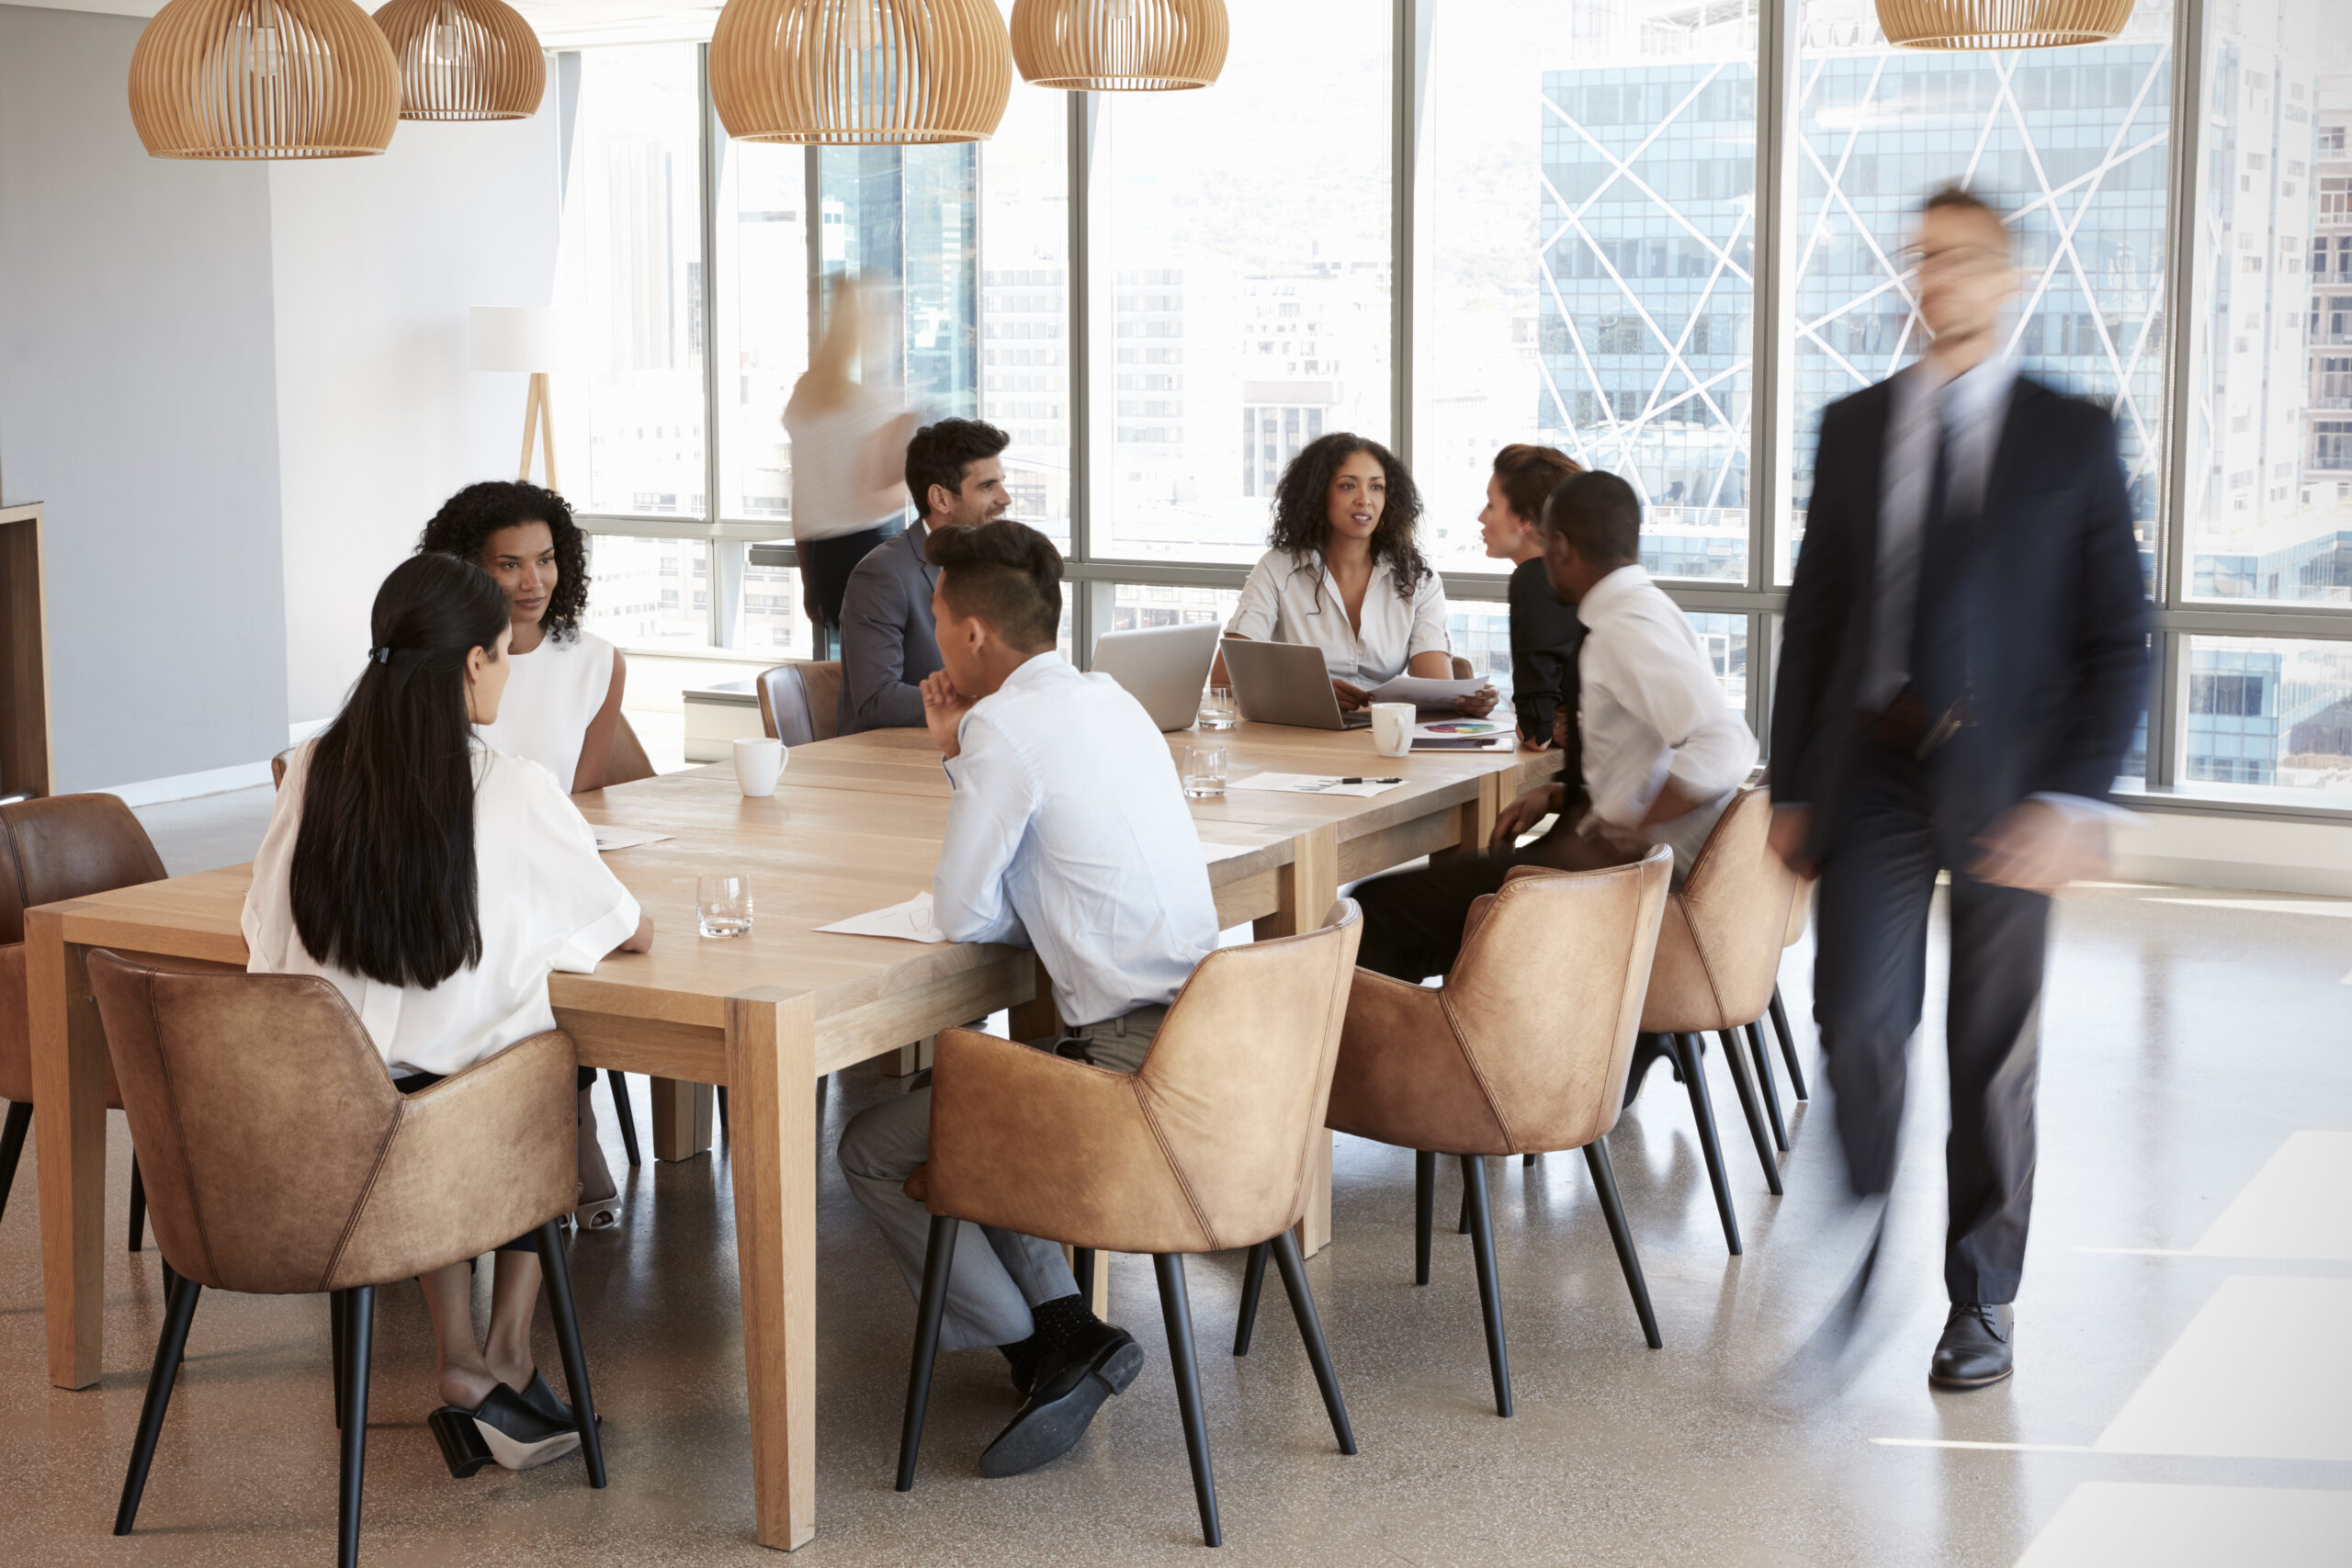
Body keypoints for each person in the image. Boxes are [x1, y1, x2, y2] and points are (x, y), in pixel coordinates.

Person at [1768, 186, 2147, 1393]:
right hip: (1873, 759)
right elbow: (1815, 614)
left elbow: (2122, 637)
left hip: (2014, 782)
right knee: (1858, 1017)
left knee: (1992, 1057)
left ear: (2009, 274)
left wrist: (2077, 796)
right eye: (1918, 257)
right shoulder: (1857, 425)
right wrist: (1790, 783)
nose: (1932, 278)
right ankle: (1871, 1182)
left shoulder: (2072, 436)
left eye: (1958, 258)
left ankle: (1979, 1299)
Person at [243, 553, 655, 1472]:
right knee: (541, 1069)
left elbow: (263, 938)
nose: (507, 673)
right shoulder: (509, 786)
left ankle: (465, 1359)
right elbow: (618, 923)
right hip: (454, 1156)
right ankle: (502, 1352)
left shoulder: (312, 768)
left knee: (438, 1070)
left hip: (319, 1134)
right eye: (505, 657)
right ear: (472, 663)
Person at [836, 520, 1219, 1479]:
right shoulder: (1109, 698)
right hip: (1210, 1046)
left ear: (971, 636)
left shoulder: (1001, 727)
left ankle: (1036, 1345)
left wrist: (960, 748)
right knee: (990, 1095)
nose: (931, 639)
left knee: (877, 1148)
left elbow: (966, 910)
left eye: (935, 620)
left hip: (1131, 1070)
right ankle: (1062, 1330)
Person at [1351, 469, 1756, 992]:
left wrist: (1628, 828)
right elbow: (1643, 750)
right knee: (1431, 913)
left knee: (1374, 911)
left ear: (1560, 546)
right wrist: (1566, 795)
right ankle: (1476, 1050)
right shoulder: (1642, 608)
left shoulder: (1624, 626)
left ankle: (1445, 1063)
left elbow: (1726, 743)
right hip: (1631, 874)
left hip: (1621, 885)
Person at [1219, 433, 1498, 717]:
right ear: (1318, 494)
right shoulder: (1277, 569)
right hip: (1299, 733)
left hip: (1381, 735)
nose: (1365, 499)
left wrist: (1466, 701)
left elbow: (1436, 687)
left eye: (1376, 487)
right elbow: (1223, 680)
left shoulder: (1417, 579)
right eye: (1348, 486)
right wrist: (1309, 693)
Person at [417, 481, 625, 795]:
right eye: (510, 565)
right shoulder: (430, 660)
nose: (534, 582)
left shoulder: (598, 662)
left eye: (545, 560)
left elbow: (584, 806)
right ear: (467, 567)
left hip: (555, 840)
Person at [836, 418, 1011, 735]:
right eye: (988, 486)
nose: (1005, 498)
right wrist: (983, 707)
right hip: (894, 757)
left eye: (1001, 482)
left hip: (977, 745)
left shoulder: (998, 563)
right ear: (941, 498)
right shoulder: (882, 575)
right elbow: (877, 699)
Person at [783, 278, 918, 655]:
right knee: (882, 671)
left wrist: (809, 581)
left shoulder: (804, 396)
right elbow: (871, 501)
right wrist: (916, 479)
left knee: (851, 674)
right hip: (867, 553)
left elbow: (802, 502)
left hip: (821, 559)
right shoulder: (867, 404)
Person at [1481, 443, 1587, 752]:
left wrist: (1537, 723)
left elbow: (1535, 735)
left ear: (1525, 519)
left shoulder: (1533, 579)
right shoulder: (1581, 577)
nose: (1481, 518)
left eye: (1490, 505)